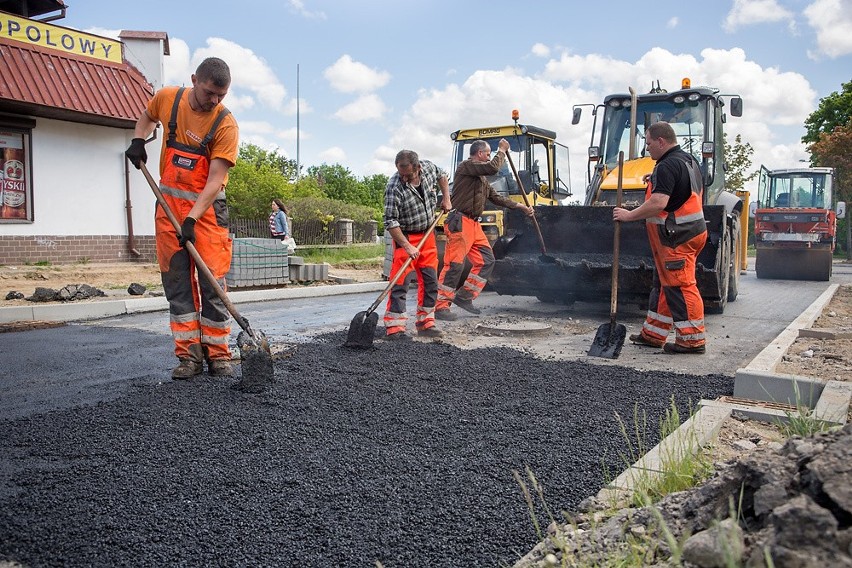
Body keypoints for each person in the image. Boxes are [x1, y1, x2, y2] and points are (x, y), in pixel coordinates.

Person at [124, 57, 240, 378]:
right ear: (194, 80)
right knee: (176, 283)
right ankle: (189, 356)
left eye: (221, 96)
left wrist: (191, 219)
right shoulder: (168, 99)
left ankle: (219, 356)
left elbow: (215, 180)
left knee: (212, 282)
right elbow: (147, 117)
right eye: (208, 93)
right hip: (168, 209)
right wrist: (138, 139)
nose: (214, 101)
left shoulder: (225, 124)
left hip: (207, 215)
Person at [613, 121, 707, 354]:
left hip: (677, 237)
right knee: (665, 284)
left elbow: (658, 203)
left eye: (648, 143)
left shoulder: (667, 166)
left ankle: (693, 340)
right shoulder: (687, 160)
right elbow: (679, 187)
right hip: (688, 232)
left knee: (681, 285)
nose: (647, 149)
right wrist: (655, 178)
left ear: (661, 142)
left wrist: (628, 215)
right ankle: (654, 334)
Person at [435, 139, 533, 320]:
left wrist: (521, 207)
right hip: (460, 222)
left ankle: (465, 297)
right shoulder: (466, 166)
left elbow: (497, 198)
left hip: (474, 225)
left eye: (491, 154)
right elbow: (493, 168)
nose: (489, 157)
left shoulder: (481, 180)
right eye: (488, 154)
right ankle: (441, 307)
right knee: (455, 266)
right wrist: (502, 150)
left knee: (487, 260)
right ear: (480, 153)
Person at [383, 149, 452, 340]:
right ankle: (395, 328)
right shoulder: (394, 186)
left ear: (418, 167)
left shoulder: (429, 169)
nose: (404, 178)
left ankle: (426, 323)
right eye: (401, 174)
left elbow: (443, 175)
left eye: (408, 174)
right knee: (400, 283)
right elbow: (390, 222)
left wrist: (446, 197)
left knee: (430, 282)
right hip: (405, 237)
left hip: (428, 235)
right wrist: (407, 246)